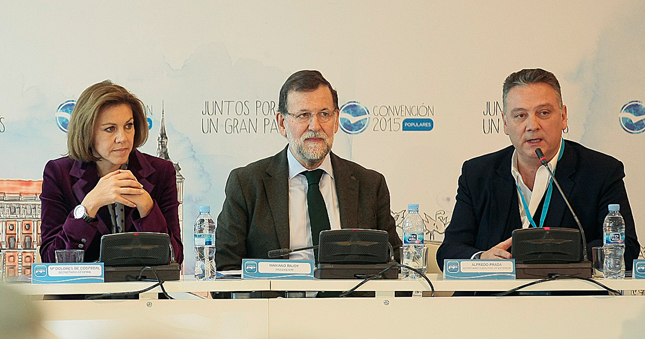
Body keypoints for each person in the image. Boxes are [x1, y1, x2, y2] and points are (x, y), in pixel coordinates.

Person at [436, 68, 640, 271]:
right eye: (520, 115)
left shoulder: (601, 171)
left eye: (543, 113)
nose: (532, 125)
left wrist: (557, 255)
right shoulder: (478, 174)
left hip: (569, 298)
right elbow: (449, 251)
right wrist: (482, 258)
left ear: (563, 117)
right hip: (493, 298)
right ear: (506, 123)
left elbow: (626, 248)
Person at [216, 70, 401, 271]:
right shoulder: (247, 184)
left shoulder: (370, 185)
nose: (315, 126)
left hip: (348, 301)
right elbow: (226, 268)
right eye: (303, 115)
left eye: (324, 114)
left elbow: (394, 263)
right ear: (282, 123)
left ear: (337, 119)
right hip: (276, 301)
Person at [40, 80, 183, 264]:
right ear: (87, 132)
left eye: (128, 126)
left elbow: (175, 259)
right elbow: (52, 259)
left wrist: (148, 209)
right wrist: (89, 206)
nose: (122, 138)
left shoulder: (161, 172)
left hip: (143, 291)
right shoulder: (59, 173)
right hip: (81, 292)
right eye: (110, 129)